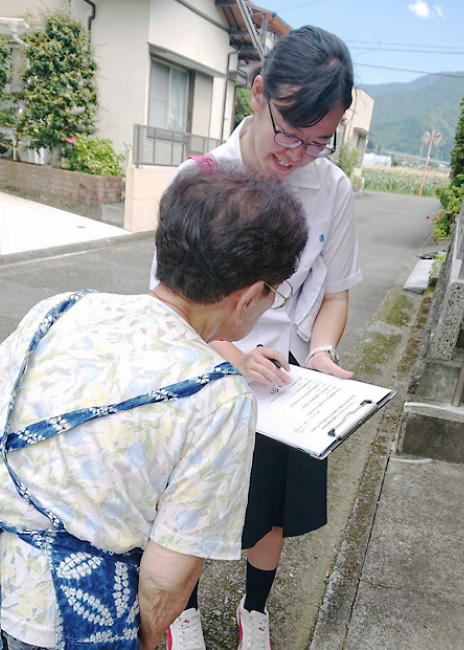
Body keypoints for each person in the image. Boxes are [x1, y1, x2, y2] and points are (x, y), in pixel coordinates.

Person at [0, 164, 308, 650]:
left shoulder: (61, 308)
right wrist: (141, 640)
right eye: (275, 291)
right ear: (248, 296)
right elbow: (167, 578)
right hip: (62, 622)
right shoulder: (218, 396)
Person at [150, 25, 363, 650]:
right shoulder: (200, 180)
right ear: (259, 91)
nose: (298, 154)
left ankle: (255, 613)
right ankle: (181, 616)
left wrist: (320, 351)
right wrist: (233, 355)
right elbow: (167, 309)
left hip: (287, 382)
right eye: (290, 132)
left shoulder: (333, 188)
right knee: (186, 506)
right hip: (206, 370)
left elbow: (337, 290)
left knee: (271, 510)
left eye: (319, 142)